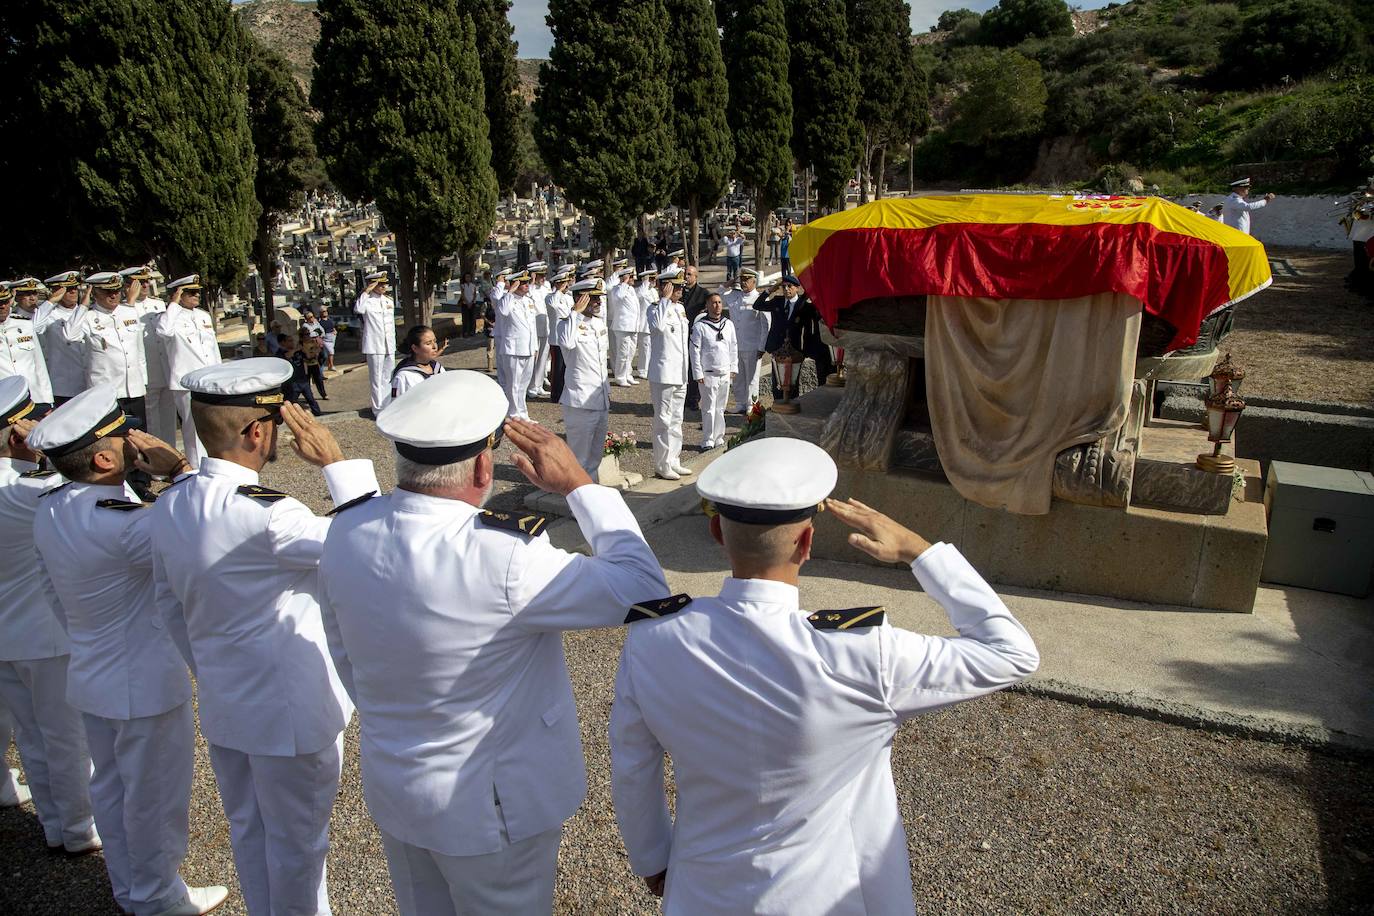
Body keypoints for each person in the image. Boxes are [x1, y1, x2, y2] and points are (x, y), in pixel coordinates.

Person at [609, 437, 1041, 914]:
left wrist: (652, 858)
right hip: (831, 897)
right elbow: (1012, 652)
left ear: (716, 532)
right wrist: (919, 552)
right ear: (807, 542)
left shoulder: (654, 638)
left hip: (702, 892)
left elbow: (633, 764)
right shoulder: (864, 652)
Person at [317, 371, 669, 916]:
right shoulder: (503, 554)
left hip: (398, 786)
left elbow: (345, 657)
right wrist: (579, 484)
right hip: (490, 807)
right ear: (485, 465)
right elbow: (643, 587)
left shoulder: (348, 529)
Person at [151, 359, 380, 916]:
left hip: (228, 703)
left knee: (251, 833)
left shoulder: (171, 504)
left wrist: (213, 671)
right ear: (259, 431)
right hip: (291, 714)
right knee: (300, 846)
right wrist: (338, 464)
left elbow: (168, 608)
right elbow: (376, 547)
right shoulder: (271, 515)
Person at [28, 383, 229, 916]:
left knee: (114, 790)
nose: (137, 440)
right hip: (143, 682)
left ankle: (130, 886)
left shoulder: (52, 507)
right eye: (124, 437)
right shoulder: (128, 525)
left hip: (92, 672)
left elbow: (52, 592)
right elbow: (201, 528)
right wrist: (180, 470)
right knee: (154, 797)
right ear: (101, 456)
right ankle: (159, 897)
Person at [0, 377, 101, 861]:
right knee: (66, 738)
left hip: (7, 637)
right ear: (17, 430)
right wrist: (41, 450)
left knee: (32, 736)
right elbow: (75, 484)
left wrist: (24, 454)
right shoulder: (29, 493)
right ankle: (80, 827)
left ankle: (55, 823)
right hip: (45, 635)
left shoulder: (14, 486)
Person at [158, 274, 220, 470]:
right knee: (192, 428)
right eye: (190, 292)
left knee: (213, 424)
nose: (196, 295)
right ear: (178, 294)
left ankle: (213, 463)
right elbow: (163, 331)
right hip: (186, 381)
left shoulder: (203, 316)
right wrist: (174, 305)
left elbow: (213, 348)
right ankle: (196, 467)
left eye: (197, 292)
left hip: (209, 378)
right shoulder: (168, 317)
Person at [555, 278, 611, 481]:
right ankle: (577, 501)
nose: (599, 302)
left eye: (599, 299)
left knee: (595, 456)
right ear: (581, 299)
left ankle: (592, 491)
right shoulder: (566, 324)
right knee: (580, 458)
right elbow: (567, 343)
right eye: (594, 298)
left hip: (600, 398)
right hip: (580, 401)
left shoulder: (597, 323)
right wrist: (575, 313)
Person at [756, 274, 833, 401]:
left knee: (793, 383)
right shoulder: (777, 301)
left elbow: (814, 322)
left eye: (789, 286)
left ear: (797, 288)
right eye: (784, 286)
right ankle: (778, 405)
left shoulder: (804, 306)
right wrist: (770, 290)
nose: (786, 289)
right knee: (777, 384)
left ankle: (792, 405)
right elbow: (758, 305)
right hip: (777, 348)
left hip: (796, 350)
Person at [124, 268, 177, 445]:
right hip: (147, 373)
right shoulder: (126, 309)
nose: (145, 285)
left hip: (165, 370)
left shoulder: (158, 305)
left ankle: (170, 455)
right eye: (140, 282)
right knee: (152, 421)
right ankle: (155, 461)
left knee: (169, 418)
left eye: (146, 281)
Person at [648, 273, 691, 480]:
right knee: (663, 421)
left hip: (680, 372)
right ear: (666, 288)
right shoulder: (655, 309)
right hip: (663, 373)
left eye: (681, 286)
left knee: (677, 419)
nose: (681, 290)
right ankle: (662, 464)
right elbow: (656, 326)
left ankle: (674, 459)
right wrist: (664, 299)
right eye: (676, 287)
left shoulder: (680, 308)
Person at [690, 293, 737, 450]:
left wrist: (733, 367)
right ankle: (708, 439)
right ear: (708, 306)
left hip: (724, 372)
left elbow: (733, 347)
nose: (717, 306)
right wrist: (698, 373)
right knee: (708, 408)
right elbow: (694, 351)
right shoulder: (700, 326)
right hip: (708, 373)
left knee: (720, 408)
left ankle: (719, 437)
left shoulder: (728, 324)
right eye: (713, 303)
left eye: (719, 302)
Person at [0, 282, 54, 409]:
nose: (2, 306)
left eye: (5, 302)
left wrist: (47, 401)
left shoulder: (25, 325)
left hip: (33, 399)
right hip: (4, 403)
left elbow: (39, 366)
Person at [724, 268, 770, 413]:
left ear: (754, 281)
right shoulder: (734, 297)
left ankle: (752, 405)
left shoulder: (760, 299)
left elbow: (766, 324)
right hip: (736, 345)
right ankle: (740, 403)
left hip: (752, 345)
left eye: (746, 280)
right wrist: (732, 281)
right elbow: (720, 292)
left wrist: (762, 346)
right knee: (738, 377)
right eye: (742, 280)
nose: (743, 283)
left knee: (752, 378)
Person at [38, 271, 87, 406]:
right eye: (67, 289)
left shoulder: (88, 312)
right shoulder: (50, 315)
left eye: (74, 288)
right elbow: (34, 328)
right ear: (56, 291)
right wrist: (51, 301)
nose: (73, 292)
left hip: (89, 382)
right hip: (65, 385)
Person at [495, 269, 537, 420]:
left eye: (527, 282)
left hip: (528, 348)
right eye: (523, 283)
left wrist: (535, 347)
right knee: (513, 384)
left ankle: (523, 413)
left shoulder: (528, 301)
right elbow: (503, 311)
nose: (527, 285)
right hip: (513, 348)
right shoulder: (507, 300)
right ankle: (512, 413)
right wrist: (510, 291)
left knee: (523, 384)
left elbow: (533, 326)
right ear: (515, 284)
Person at [355, 270, 397, 415]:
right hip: (374, 345)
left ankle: (387, 404)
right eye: (381, 284)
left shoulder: (388, 301)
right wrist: (366, 292)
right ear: (373, 285)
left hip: (389, 344)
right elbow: (358, 309)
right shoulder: (366, 301)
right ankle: (378, 409)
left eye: (385, 284)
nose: (384, 286)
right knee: (376, 378)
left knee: (388, 376)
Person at [390, 325, 447, 402]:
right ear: (415, 348)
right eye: (428, 343)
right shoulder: (405, 376)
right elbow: (396, 406)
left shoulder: (438, 368)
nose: (434, 346)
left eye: (435, 341)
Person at [679, 266, 709, 413]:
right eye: (685, 274)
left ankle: (694, 399)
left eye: (690, 274)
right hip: (679, 335)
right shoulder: (678, 292)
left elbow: (709, 309)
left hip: (694, 334)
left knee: (694, 368)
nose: (686, 277)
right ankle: (683, 397)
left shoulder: (703, 293)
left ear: (696, 277)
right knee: (682, 367)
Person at [545, 267, 575, 403]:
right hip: (556, 338)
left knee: (567, 367)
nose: (566, 285)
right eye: (563, 283)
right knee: (557, 368)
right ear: (557, 284)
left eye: (566, 282)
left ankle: (565, 392)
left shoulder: (568, 298)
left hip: (567, 336)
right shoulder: (550, 297)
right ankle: (555, 394)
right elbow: (555, 306)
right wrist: (558, 289)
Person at [526, 263, 553, 400]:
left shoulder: (545, 289)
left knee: (543, 358)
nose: (543, 278)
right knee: (533, 359)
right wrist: (531, 281)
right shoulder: (530, 289)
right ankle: (530, 386)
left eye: (544, 275)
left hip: (546, 326)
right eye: (540, 275)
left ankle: (538, 385)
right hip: (534, 328)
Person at [281, 335, 323, 416]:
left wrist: (307, 350)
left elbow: (309, 357)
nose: (292, 342)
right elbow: (287, 356)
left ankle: (318, 415)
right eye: (289, 341)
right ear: (284, 343)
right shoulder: (281, 352)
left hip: (303, 381)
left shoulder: (299, 352)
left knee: (311, 400)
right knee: (290, 402)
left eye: (292, 340)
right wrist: (296, 349)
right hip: (293, 383)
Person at [319, 306, 338, 371]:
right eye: (324, 311)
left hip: (332, 337)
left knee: (330, 352)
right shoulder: (319, 321)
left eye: (326, 311)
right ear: (321, 313)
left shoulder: (329, 320)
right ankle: (331, 365)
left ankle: (330, 365)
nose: (325, 312)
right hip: (325, 338)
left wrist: (335, 331)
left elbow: (332, 327)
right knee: (331, 352)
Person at [459, 272, 478, 339]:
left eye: (469, 277)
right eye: (466, 277)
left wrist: (472, 302)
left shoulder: (473, 285)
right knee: (465, 318)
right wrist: (467, 302)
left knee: (472, 318)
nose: (468, 278)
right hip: (465, 304)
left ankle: (472, 331)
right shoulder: (463, 285)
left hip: (472, 303)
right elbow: (463, 294)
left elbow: (475, 294)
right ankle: (465, 332)